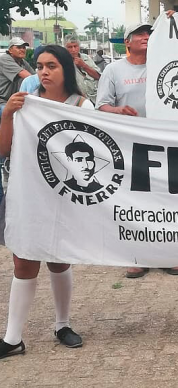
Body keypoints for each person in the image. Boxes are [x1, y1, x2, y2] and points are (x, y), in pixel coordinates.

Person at [0, 45, 94, 359]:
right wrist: (8, 114)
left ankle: (62, 325)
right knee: (24, 260)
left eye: (51, 65)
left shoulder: (82, 105)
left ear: (66, 69)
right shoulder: (26, 103)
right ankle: (12, 337)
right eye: (39, 66)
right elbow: (4, 148)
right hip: (29, 194)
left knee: (58, 258)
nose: (43, 72)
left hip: (64, 196)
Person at [96, 21, 178, 278]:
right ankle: (138, 255)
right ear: (127, 41)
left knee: (166, 198)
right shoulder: (113, 70)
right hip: (130, 145)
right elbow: (101, 106)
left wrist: (172, 20)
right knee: (136, 200)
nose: (146, 37)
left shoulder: (164, 64)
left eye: (149, 33)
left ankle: (168, 253)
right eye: (140, 34)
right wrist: (118, 110)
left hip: (164, 142)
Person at [0, 37, 34, 204]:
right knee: (15, 118)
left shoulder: (21, 61)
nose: (22, 49)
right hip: (2, 102)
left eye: (24, 47)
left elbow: (35, 76)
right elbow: (29, 77)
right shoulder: (5, 59)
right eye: (18, 47)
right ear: (10, 49)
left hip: (13, 101)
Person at [64, 35, 101, 105]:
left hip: (94, 99)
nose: (73, 49)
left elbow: (98, 76)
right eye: (70, 47)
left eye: (75, 46)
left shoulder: (86, 58)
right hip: (76, 101)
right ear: (65, 48)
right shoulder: (64, 62)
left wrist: (83, 65)